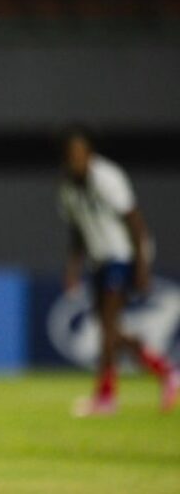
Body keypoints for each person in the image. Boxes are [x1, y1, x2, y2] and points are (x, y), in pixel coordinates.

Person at [59, 128, 178, 416]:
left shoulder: (107, 178)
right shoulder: (68, 187)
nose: (76, 160)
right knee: (109, 328)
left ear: (90, 154)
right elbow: (78, 232)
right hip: (100, 260)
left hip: (122, 256)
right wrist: (73, 269)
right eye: (71, 155)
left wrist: (142, 267)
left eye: (80, 154)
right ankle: (166, 371)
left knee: (108, 327)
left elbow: (134, 221)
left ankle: (106, 397)